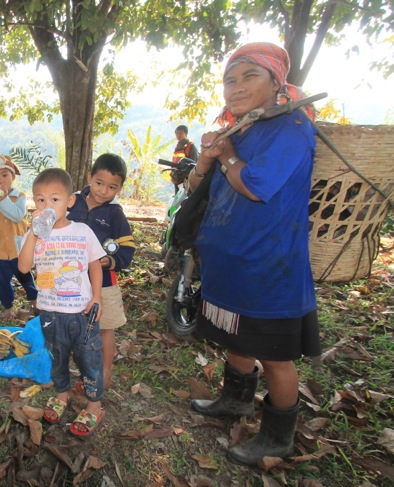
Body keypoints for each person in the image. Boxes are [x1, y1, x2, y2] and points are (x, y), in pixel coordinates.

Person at [186, 42, 320, 466]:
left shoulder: (291, 128)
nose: (236, 86)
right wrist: (209, 159)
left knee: (276, 357)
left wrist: (226, 155)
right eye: (230, 78)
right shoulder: (240, 129)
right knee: (236, 338)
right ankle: (235, 400)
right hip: (231, 261)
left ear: (276, 82)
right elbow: (195, 191)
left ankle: (277, 438)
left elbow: (257, 185)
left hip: (269, 265)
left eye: (250, 76)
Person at [18, 168, 106, 437]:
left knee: (89, 359)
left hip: (82, 312)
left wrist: (97, 296)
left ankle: (94, 404)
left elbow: (94, 265)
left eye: (54, 199)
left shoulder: (82, 231)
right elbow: (23, 268)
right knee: (57, 357)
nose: (47, 206)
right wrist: (33, 233)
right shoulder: (33, 235)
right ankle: (62, 394)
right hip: (50, 313)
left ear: (70, 201)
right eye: (40, 200)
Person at [68, 154, 135, 390]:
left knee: (105, 328)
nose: (103, 191)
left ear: (120, 188)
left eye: (112, 187)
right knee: (75, 328)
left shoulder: (115, 214)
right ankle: (80, 372)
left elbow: (127, 250)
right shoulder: (71, 202)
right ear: (89, 177)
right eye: (99, 183)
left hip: (104, 284)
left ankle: (105, 372)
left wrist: (108, 261)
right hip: (72, 282)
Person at [0, 155, 38, 321]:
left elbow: (17, 216)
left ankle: (35, 300)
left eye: (5, 175)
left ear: (13, 177)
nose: (1, 180)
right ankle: (8, 306)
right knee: (2, 281)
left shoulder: (20, 197)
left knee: (26, 277)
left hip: (19, 250)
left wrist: (4, 199)